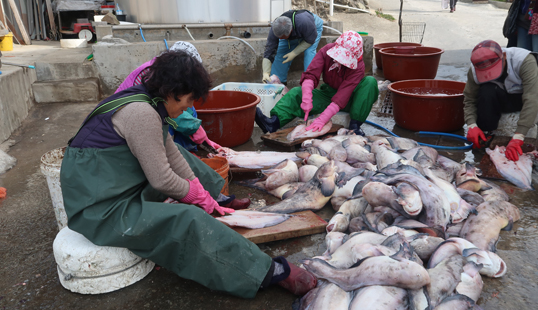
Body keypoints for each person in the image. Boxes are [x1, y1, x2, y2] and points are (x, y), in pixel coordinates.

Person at [60, 51, 317, 298]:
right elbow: (161, 179)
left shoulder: (148, 101)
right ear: (173, 92)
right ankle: (266, 272)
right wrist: (194, 197)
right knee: (186, 218)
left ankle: (219, 200)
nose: (189, 107)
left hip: (115, 183)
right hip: (100, 208)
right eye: (189, 100)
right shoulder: (141, 114)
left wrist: (203, 193)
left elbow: (172, 154)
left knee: (185, 157)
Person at [256, 31, 378, 136]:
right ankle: (272, 123)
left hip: (352, 98)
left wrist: (322, 119)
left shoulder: (358, 66)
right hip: (328, 94)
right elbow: (311, 74)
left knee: (370, 82)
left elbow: (343, 95)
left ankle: (354, 126)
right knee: (297, 92)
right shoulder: (326, 51)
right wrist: (307, 97)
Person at [116, 41, 220, 153]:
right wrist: (198, 132)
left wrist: (204, 138)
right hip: (126, 117)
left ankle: (187, 151)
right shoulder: (153, 74)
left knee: (190, 110)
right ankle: (178, 153)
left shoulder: (168, 73)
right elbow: (170, 110)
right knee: (169, 121)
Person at [463, 39, 538, 161]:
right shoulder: (474, 69)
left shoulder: (524, 60)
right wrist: (472, 125)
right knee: (486, 91)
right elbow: (469, 99)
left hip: (534, 95)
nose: (490, 75)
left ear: (504, 56)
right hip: (504, 98)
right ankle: (486, 134)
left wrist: (519, 136)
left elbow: (532, 98)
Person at [262, 9, 323, 84]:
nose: (280, 39)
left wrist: (294, 52)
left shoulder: (304, 22)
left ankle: (309, 83)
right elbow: (269, 49)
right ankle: (278, 84)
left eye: (282, 37)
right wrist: (265, 72)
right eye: (279, 37)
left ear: (290, 31)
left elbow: (310, 40)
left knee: (309, 52)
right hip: (294, 33)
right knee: (280, 53)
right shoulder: (276, 27)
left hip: (312, 30)